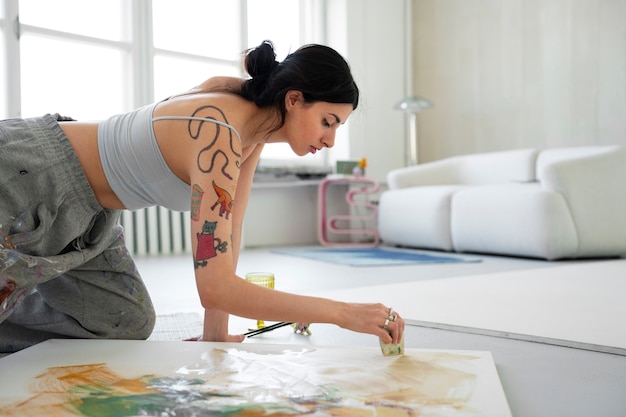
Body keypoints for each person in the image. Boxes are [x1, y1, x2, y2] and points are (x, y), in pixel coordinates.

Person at [0, 40, 404, 354]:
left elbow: (230, 231)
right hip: (35, 176)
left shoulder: (253, 132)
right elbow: (216, 287)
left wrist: (215, 334)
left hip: (92, 216)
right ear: (294, 99)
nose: (330, 140)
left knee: (124, 322)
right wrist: (343, 314)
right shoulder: (220, 135)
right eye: (327, 122)